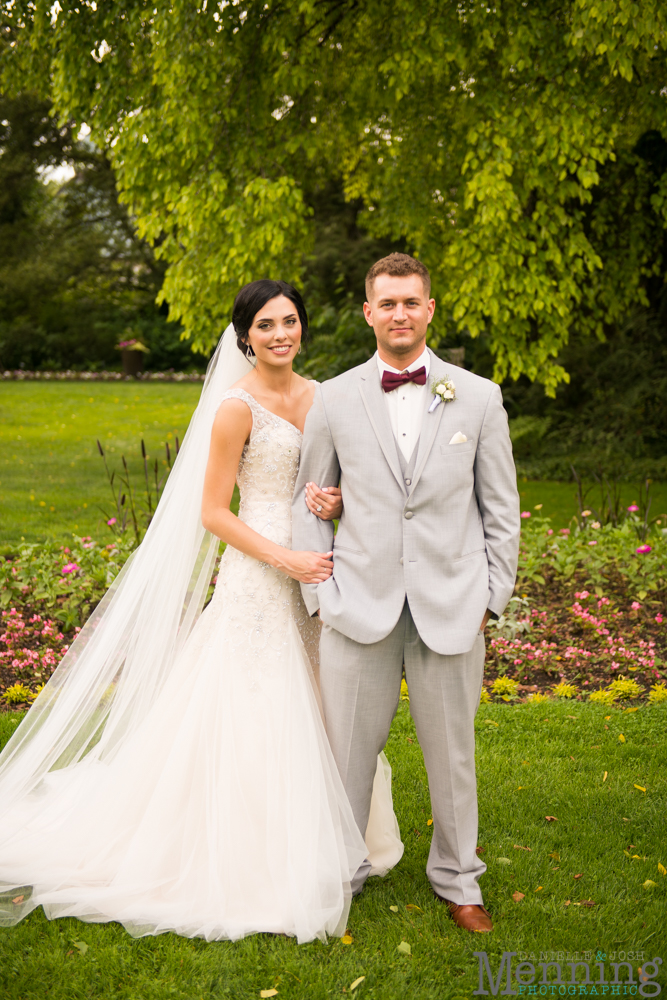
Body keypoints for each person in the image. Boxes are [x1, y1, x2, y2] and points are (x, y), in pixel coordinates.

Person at [0, 279, 402, 943]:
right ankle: (253, 856)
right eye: (266, 325)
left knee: (325, 697)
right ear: (245, 336)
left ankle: (338, 833)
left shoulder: (323, 397)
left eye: (290, 321)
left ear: (304, 328)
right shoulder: (234, 409)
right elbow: (214, 510)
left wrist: (332, 512)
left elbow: (338, 480)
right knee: (260, 699)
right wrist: (284, 558)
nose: (280, 334)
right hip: (260, 571)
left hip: (317, 571)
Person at [292, 253, 520, 933]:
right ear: (368, 312)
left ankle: (458, 881)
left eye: (410, 302)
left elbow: (500, 508)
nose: (399, 314)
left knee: (451, 757)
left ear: (428, 309)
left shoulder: (477, 396)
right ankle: (341, 870)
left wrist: (489, 598)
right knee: (346, 755)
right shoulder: (332, 396)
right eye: (386, 303)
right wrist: (318, 593)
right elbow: (310, 498)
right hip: (356, 604)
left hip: (452, 607)